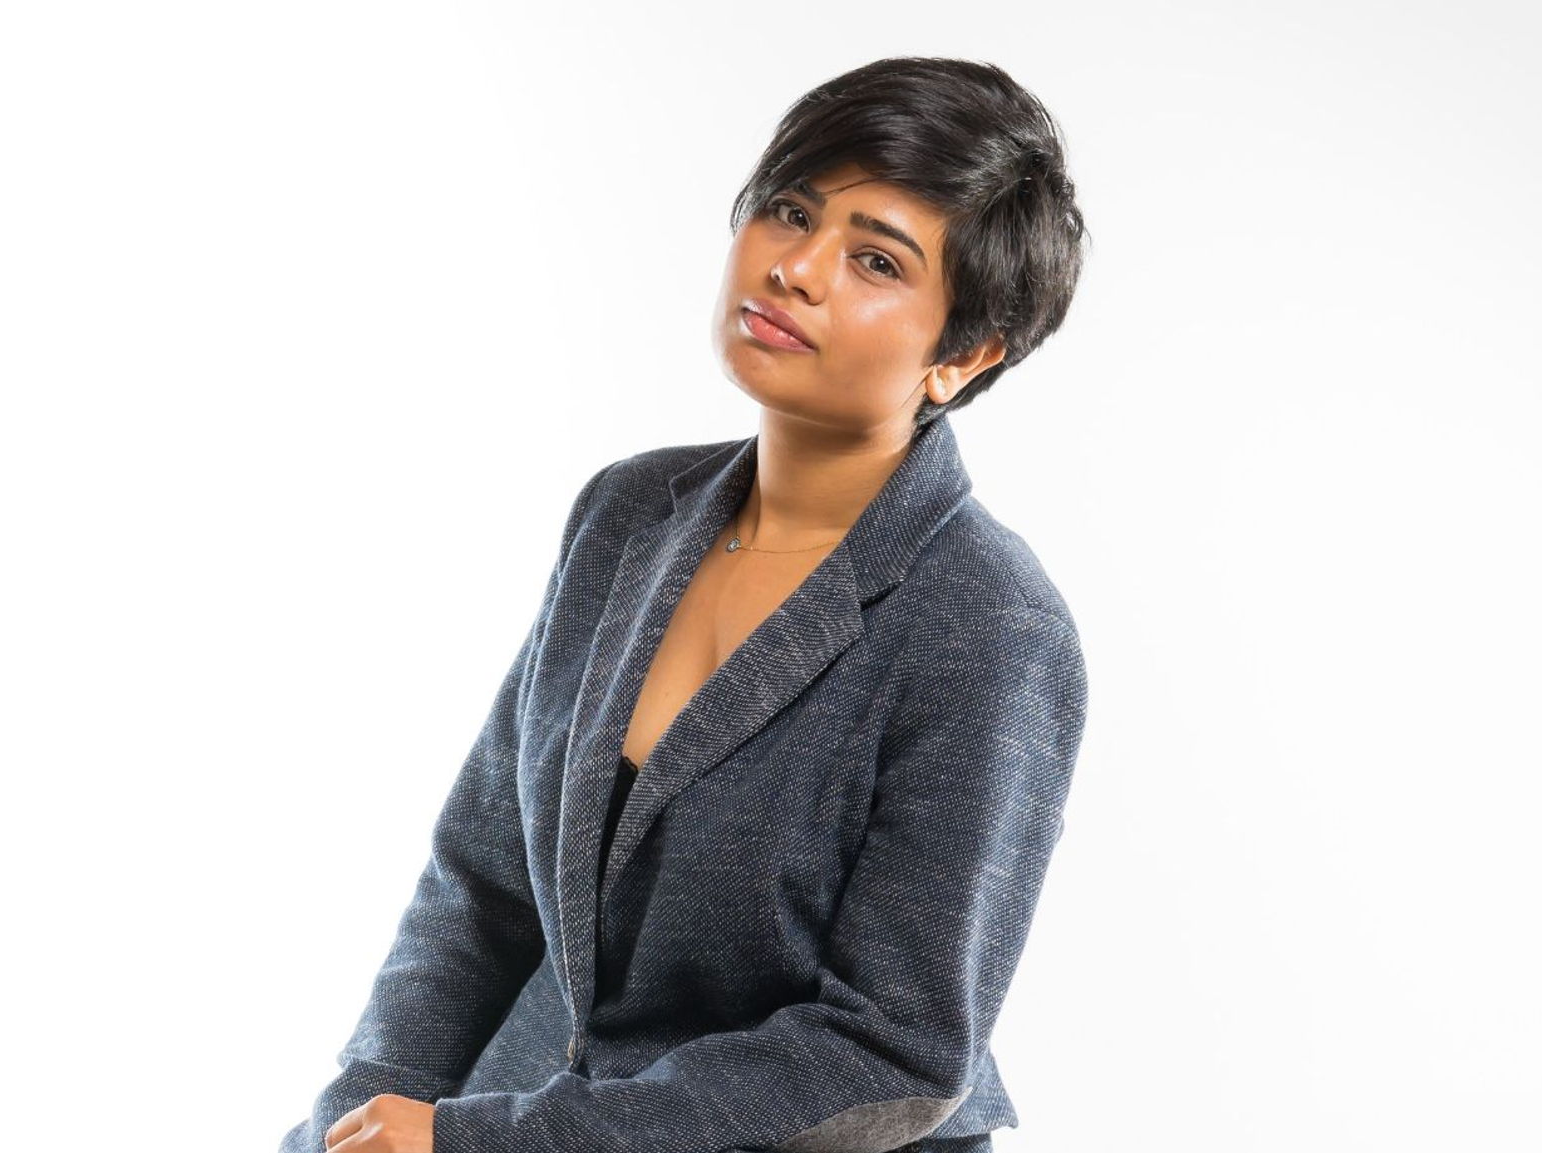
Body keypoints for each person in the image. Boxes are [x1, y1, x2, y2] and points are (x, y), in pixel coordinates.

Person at [282, 56, 1091, 1153]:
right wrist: (349, 1122)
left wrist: (491, 1143)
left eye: (874, 260)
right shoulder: (627, 513)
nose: (795, 267)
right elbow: (481, 887)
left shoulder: (989, 627)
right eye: (789, 210)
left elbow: (891, 1048)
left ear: (964, 355)